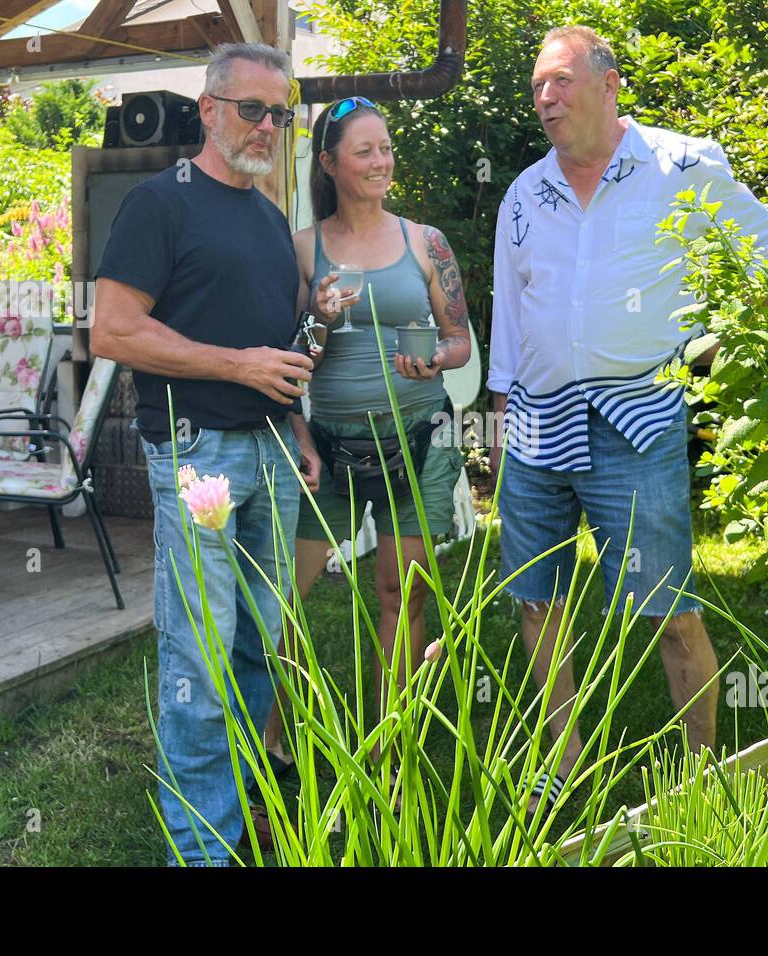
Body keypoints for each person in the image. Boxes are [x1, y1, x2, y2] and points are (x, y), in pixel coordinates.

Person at [489, 26, 768, 812]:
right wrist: (498, 417)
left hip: (638, 417)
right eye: (537, 88)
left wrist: (717, 344)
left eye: (559, 82)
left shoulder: (681, 165)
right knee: (537, 600)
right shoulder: (525, 193)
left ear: (608, 83)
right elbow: (510, 318)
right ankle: (564, 761)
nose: (546, 99)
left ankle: (704, 779)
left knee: (666, 607)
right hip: (535, 423)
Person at [90, 43, 321, 865]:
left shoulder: (263, 214)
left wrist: (294, 429)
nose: (267, 126)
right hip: (198, 455)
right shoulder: (162, 204)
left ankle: (243, 801)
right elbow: (112, 330)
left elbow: (268, 342)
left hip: (266, 450)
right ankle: (202, 848)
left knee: (260, 637)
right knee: (202, 649)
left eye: (281, 114)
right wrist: (237, 367)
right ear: (210, 109)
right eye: (253, 109)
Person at [261, 97, 472, 781]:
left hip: (420, 438)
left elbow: (460, 339)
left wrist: (435, 359)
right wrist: (319, 321)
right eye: (364, 151)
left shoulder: (425, 242)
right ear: (330, 162)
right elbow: (289, 359)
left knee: (400, 593)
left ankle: (387, 748)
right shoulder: (300, 248)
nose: (381, 161)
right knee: (288, 591)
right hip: (333, 443)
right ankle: (277, 736)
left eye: (385, 148)